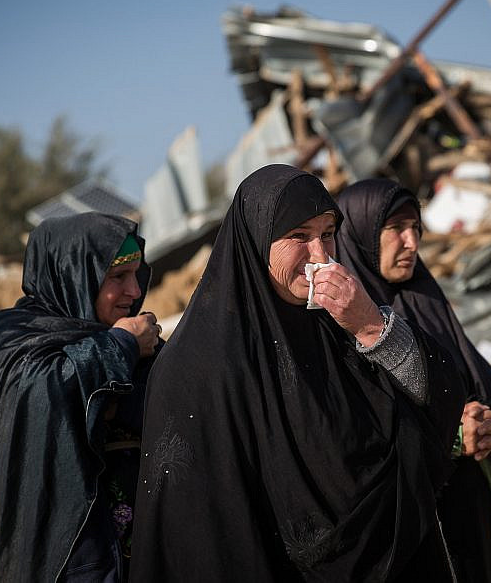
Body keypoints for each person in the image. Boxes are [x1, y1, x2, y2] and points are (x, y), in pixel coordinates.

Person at [129, 164, 465, 581]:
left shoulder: (338, 327)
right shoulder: (199, 370)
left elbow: (433, 403)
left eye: (327, 234)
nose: (320, 256)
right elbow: (205, 534)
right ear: (255, 243)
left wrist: (371, 327)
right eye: (298, 237)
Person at [335, 179, 491, 582]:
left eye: (416, 228)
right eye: (396, 228)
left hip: (463, 506)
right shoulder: (338, 321)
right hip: (400, 524)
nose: (411, 242)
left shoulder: (424, 300)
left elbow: (469, 382)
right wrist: (451, 435)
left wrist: (481, 422)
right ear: (359, 231)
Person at [0, 212, 163, 581]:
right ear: (75, 275)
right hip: (66, 560)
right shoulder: (7, 341)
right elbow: (40, 393)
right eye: (117, 277)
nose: (135, 291)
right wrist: (119, 347)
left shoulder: (134, 345)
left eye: (137, 274)